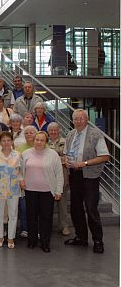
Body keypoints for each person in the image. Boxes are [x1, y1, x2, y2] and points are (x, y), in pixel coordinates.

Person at [63, 109, 109, 254]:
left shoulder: (96, 135)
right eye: (76, 119)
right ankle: (81, 237)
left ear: (87, 119)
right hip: (75, 175)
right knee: (76, 208)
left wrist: (85, 163)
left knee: (91, 208)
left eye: (82, 118)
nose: (78, 121)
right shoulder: (71, 134)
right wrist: (66, 160)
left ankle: (98, 241)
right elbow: (66, 153)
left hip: (90, 176)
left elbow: (104, 156)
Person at [21, 131, 63, 253]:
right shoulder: (25, 153)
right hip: (30, 191)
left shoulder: (53, 154)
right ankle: (32, 241)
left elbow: (59, 173)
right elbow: (20, 171)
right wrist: (21, 181)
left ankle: (45, 242)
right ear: (33, 141)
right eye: (37, 140)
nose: (39, 142)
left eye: (42, 140)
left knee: (46, 218)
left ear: (46, 142)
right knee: (31, 217)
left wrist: (58, 190)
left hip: (47, 191)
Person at [0, 132, 22, 249]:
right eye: (3, 140)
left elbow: (22, 171)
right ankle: (0, 236)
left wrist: (22, 181)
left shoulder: (18, 155)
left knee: (13, 214)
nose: (6, 143)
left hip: (13, 189)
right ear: (0, 142)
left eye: (8, 140)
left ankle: (11, 237)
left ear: (12, 141)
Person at [47, 122, 71, 236]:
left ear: (59, 130)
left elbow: (68, 158)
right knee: (47, 205)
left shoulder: (66, 142)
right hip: (47, 178)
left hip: (62, 176)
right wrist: (59, 158)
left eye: (55, 130)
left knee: (62, 204)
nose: (53, 132)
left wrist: (55, 159)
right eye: (51, 130)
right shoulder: (44, 142)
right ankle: (47, 226)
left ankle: (64, 226)